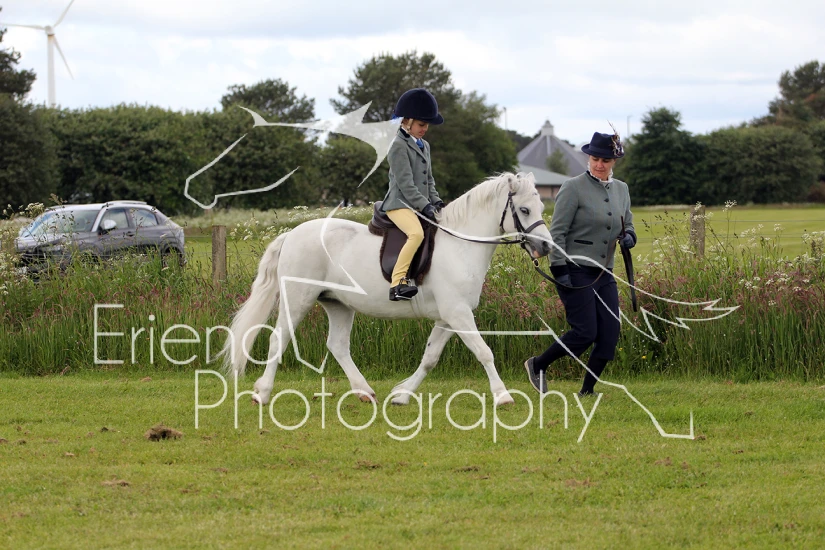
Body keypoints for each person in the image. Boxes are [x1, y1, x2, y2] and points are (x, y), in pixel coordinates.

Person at [524, 130, 636, 396]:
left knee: (610, 332)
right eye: (595, 159)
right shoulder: (572, 187)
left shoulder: (622, 189)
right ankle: (538, 365)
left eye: (605, 160)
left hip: (604, 272)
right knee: (585, 332)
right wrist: (559, 269)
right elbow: (558, 232)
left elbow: (628, 223)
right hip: (574, 270)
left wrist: (630, 236)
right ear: (588, 158)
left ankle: (587, 391)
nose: (599, 164)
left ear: (614, 161)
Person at [380, 88, 445, 301]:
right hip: (399, 203)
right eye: (421, 124)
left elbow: (429, 180)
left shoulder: (424, 145)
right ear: (406, 122)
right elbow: (406, 185)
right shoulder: (398, 145)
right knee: (416, 234)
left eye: (426, 125)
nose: (425, 129)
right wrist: (425, 205)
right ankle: (397, 283)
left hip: (418, 203)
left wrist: (436, 201)